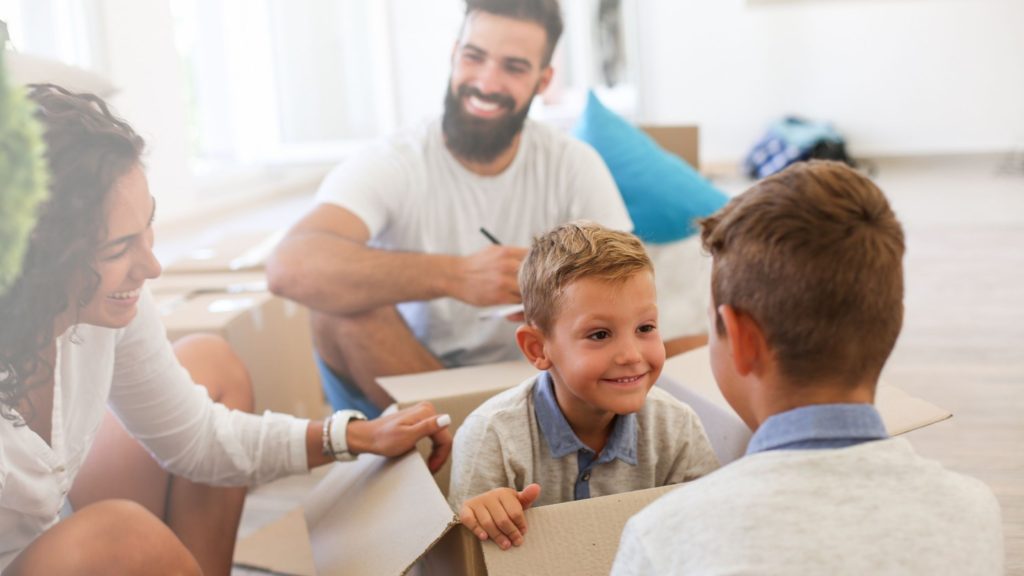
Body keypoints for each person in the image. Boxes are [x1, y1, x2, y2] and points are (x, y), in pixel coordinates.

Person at [0, 84, 453, 576]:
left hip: (42, 533)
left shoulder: (104, 309)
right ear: (37, 261)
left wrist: (354, 436)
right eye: (117, 250)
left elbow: (198, 439)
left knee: (210, 361)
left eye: (148, 227)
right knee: (120, 537)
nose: (150, 267)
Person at [610, 161, 1004, 575]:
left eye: (713, 326)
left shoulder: (665, 537)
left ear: (743, 340)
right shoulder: (974, 512)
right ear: (893, 324)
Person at [266, 0, 634, 418]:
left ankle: (490, 448)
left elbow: (629, 294)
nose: (485, 82)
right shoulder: (395, 161)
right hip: (414, 374)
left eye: (513, 68)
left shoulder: (573, 164)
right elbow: (287, 267)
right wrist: (456, 276)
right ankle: (471, 446)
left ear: (541, 80)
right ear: (454, 55)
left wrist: (553, 293)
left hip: (543, 378)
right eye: (474, 58)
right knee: (338, 309)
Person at [447, 221, 719, 551]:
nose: (631, 355)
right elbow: (466, 559)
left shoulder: (677, 428)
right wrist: (486, 514)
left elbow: (706, 538)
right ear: (538, 349)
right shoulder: (491, 437)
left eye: (645, 327)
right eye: (599, 335)